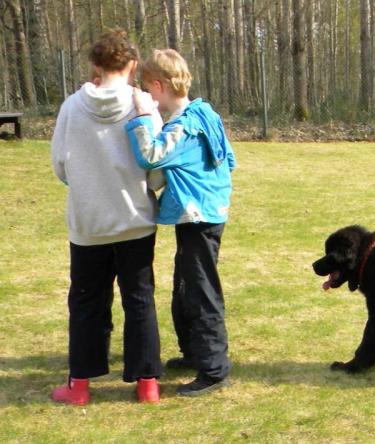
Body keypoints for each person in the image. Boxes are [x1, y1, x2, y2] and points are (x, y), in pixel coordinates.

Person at [51, 29, 165, 405]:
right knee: (139, 299)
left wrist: (87, 184)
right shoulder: (143, 104)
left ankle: (80, 386)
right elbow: (157, 169)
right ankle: (147, 383)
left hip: (89, 223)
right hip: (135, 220)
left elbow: (60, 166)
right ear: (133, 65)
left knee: (86, 301)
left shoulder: (71, 107)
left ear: (95, 66)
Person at [125, 48, 235, 397]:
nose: (148, 99)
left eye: (147, 92)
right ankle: (193, 352)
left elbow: (151, 154)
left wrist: (142, 118)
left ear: (158, 86)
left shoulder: (184, 127)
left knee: (201, 291)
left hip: (199, 217)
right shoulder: (206, 114)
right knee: (185, 286)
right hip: (204, 213)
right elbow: (228, 160)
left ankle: (214, 369)